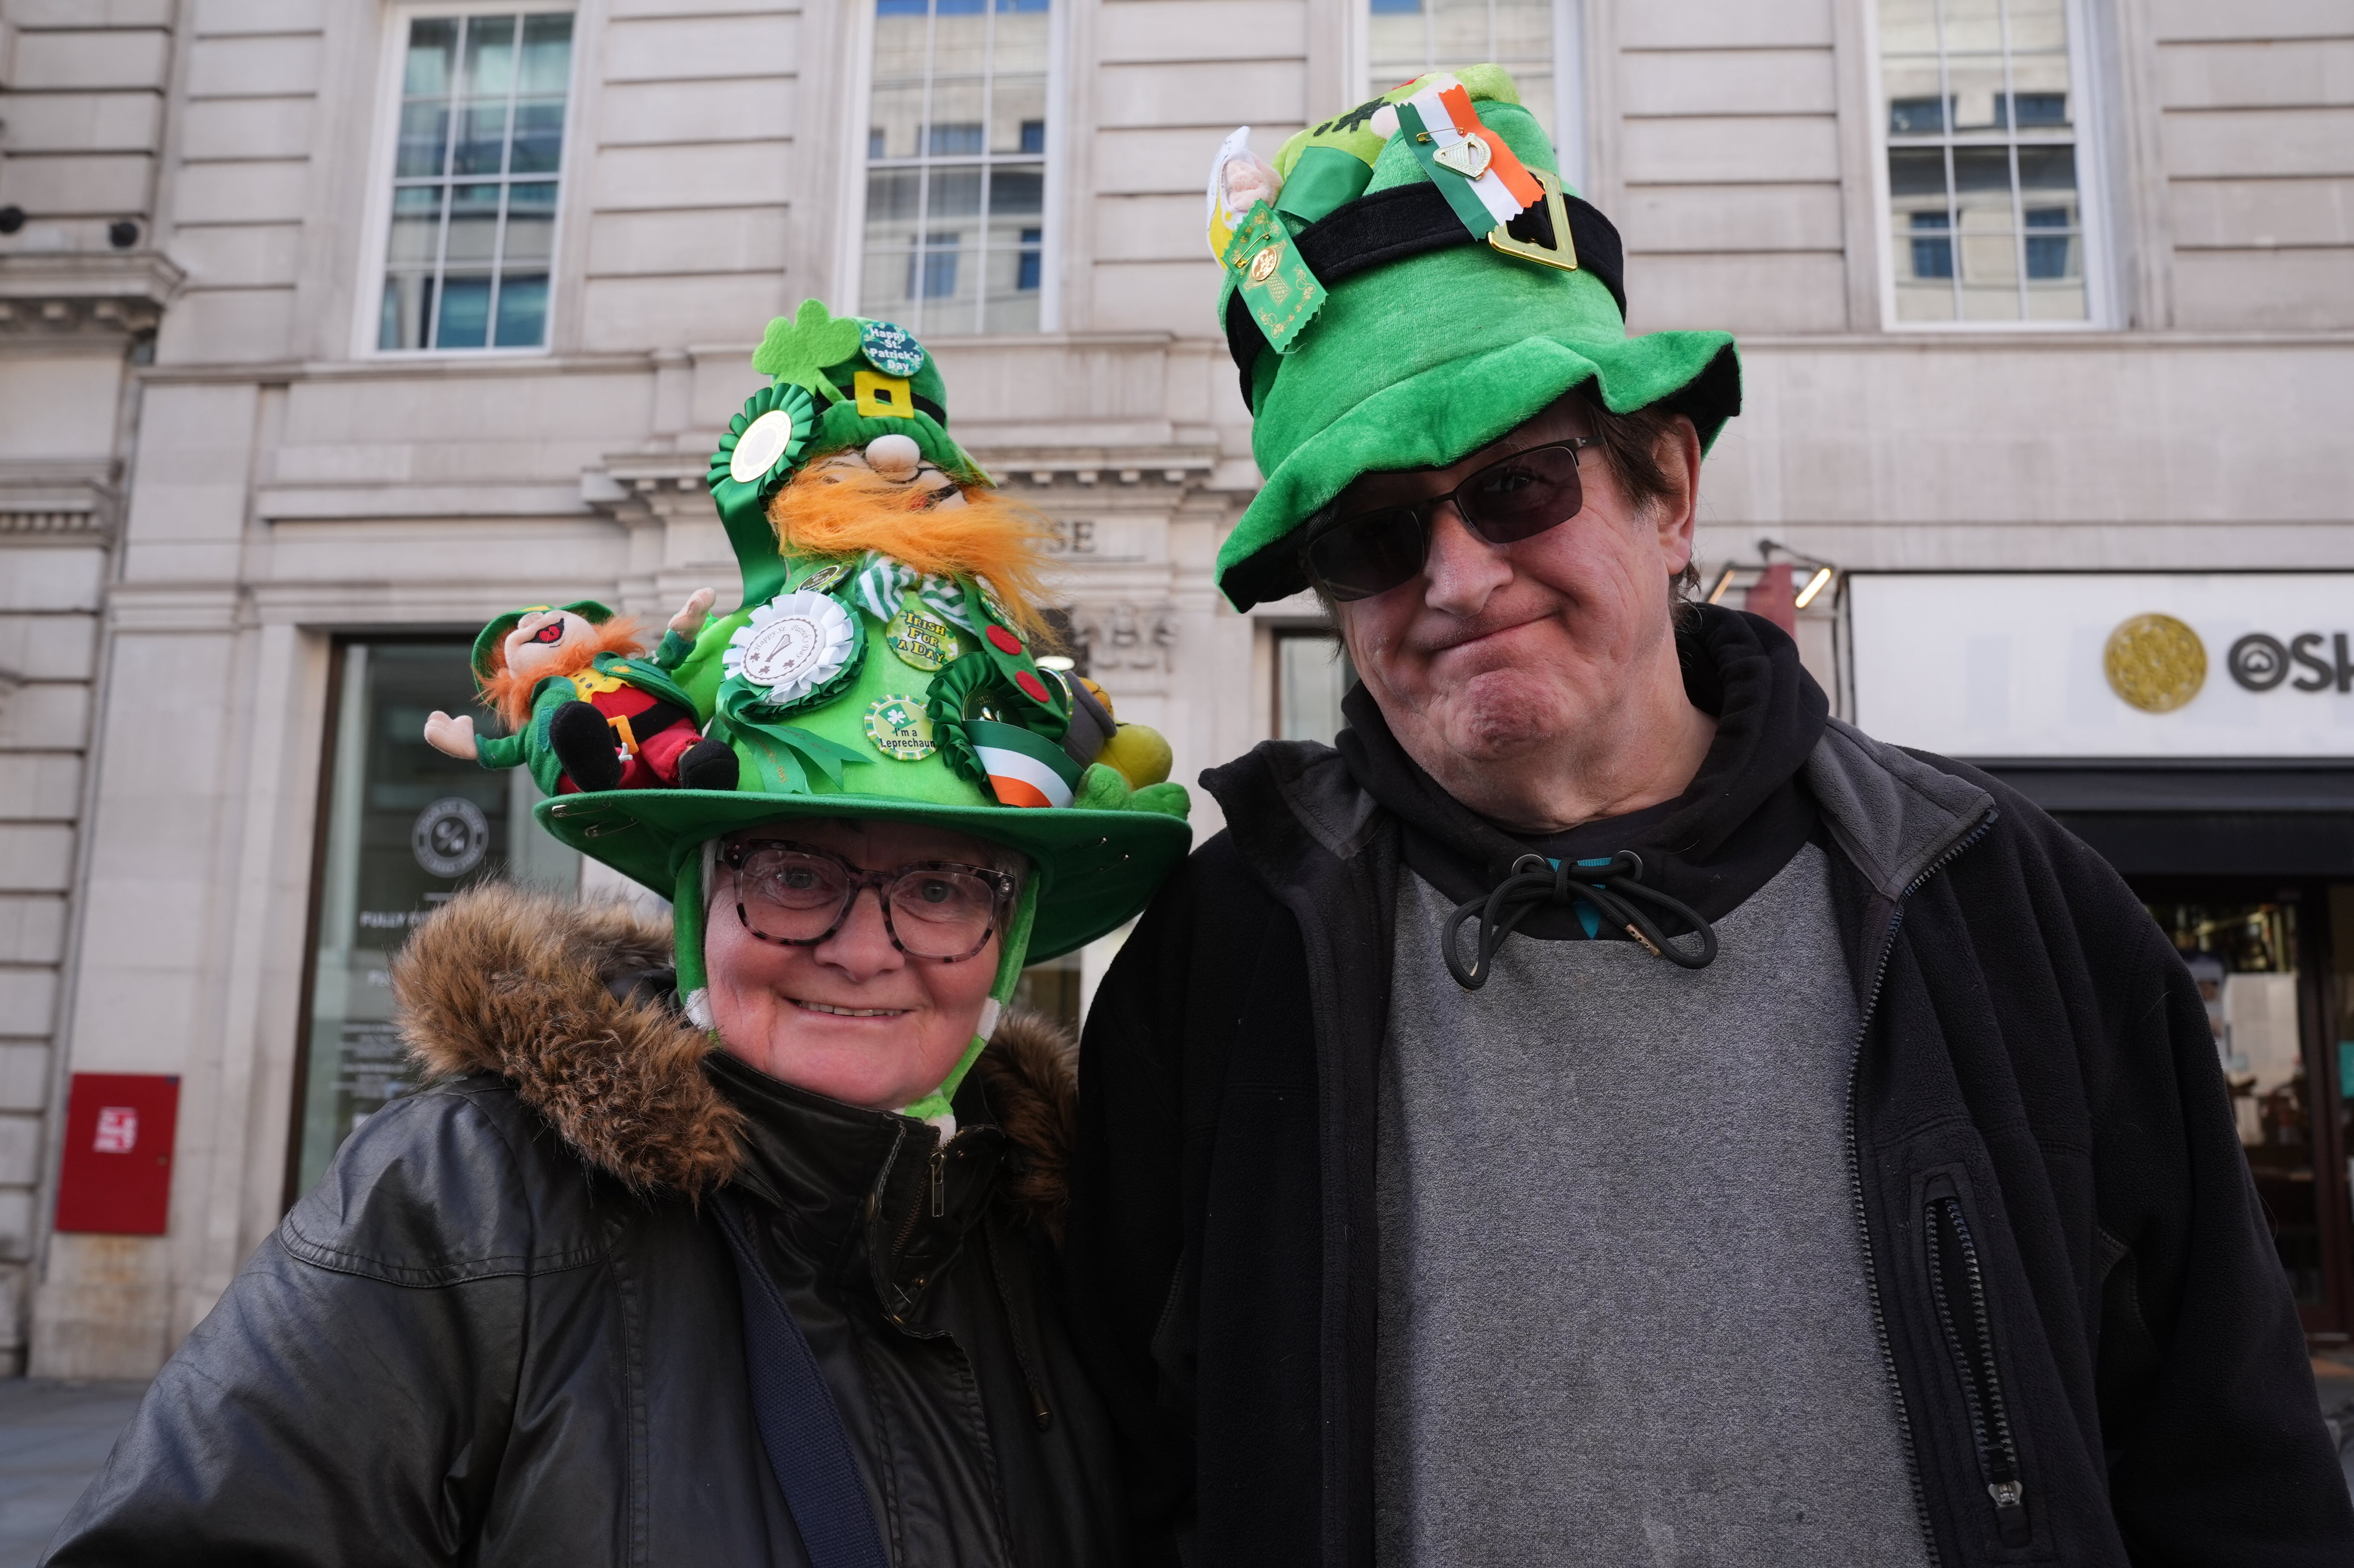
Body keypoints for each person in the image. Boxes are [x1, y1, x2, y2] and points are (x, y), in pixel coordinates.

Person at [1061, 67, 2354, 1568]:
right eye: (1371, 534)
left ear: (1667, 490)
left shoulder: (2000, 906)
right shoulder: (1221, 969)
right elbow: (1128, 1490)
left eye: (1521, 486)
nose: (1460, 578)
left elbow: (2234, 1481)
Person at [45, 302, 1192, 1567]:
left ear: (1009, 929)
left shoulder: (1070, 1242)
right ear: (699, 901)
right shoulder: (465, 1204)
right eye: (796, 872)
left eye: (940, 889)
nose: (866, 949)